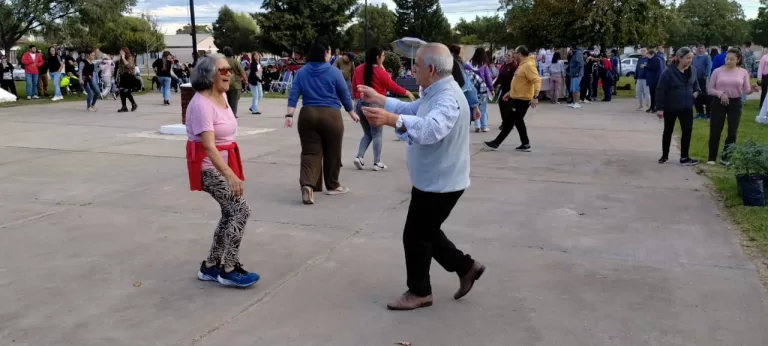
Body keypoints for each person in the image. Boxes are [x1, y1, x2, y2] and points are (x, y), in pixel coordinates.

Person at [357, 43, 484, 311]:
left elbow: (431, 129)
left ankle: (420, 291)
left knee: (415, 236)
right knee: (426, 232)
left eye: (415, 66)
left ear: (430, 68)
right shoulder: (436, 91)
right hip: (434, 179)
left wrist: (391, 119)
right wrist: (381, 100)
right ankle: (466, 267)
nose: (412, 70)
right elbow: (416, 110)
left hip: (441, 183)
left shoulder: (447, 97)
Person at [186, 53, 260, 288]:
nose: (229, 73)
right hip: (209, 168)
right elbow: (208, 146)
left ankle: (210, 266)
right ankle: (229, 268)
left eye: (229, 69)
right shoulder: (201, 104)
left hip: (224, 163)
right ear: (208, 75)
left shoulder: (222, 96)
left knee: (230, 213)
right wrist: (229, 175)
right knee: (240, 211)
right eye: (223, 70)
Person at [285, 41, 359, 205]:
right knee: (332, 151)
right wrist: (352, 112)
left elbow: (293, 94)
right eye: (330, 51)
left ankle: (309, 185)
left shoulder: (302, 72)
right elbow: (344, 94)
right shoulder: (334, 72)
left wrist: (289, 115)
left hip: (307, 114)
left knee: (310, 152)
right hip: (331, 116)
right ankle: (333, 185)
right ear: (325, 52)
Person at [351, 46, 415, 171]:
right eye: (383, 55)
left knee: (368, 133)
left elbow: (354, 86)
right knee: (377, 134)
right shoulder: (380, 73)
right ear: (377, 57)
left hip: (360, 104)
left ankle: (359, 157)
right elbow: (392, 86)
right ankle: (377, 162)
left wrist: (356, 99)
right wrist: (407, 92)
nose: (384, 57)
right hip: (375, 105)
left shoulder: (359, 69)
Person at [707, 48, 759, 165]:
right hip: (719, 102)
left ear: (738, 60)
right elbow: (710, 89)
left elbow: (746, 90)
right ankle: (711, 157)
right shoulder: (717, 71)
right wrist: (721, 93)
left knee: (732, 131)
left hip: (735, 102)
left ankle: (726, 158)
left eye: (732, 59)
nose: (729, 61)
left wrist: (752, 89)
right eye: (727, 58)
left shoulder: (743, 72)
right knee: (715, 129)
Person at [484, 45, 541, 152]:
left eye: (515, 52)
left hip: (523, 100)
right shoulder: (522, 65)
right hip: (517, 97)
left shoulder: (528, 65)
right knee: (518, 121)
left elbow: (537, 80)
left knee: (510, 121)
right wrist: (510, 93)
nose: (514, 55)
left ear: (519, 54)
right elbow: (520, 83)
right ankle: (525, 144)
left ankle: (496, 143)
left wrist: (536, 96)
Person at [656, 47, 701, 166]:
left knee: (687, 131)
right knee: (668, 130)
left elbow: (697, 86)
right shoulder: (668, 72)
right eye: (687, 58)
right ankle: (665, 155)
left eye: (691, 58)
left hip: (687, 107)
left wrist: (694, 94)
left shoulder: (693, 71)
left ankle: (684, 157)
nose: (690, 60)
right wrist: (660, 108)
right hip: (671, 106)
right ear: (680, 58)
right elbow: (660, 90)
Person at [465, 47, 495, 132]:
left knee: (475, 106)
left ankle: (477, 125)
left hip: (471, 88)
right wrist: (492, 89)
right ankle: (484, 126)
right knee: (483, 108)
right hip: (482, 88)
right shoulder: (484, 66)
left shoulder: (467, 65)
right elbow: (488, 78)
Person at [221, 47, 246, 117]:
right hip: (236, 84)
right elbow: (242, 71)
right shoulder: (235, 62)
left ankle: (226, 114)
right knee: (234, 102)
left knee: (226, 100)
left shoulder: (221, 61)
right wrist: (245, 80)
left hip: (224, 83)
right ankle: (233, 115)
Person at [692, 45, 713, 119]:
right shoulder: (694, 58)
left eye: (702, 48)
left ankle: (708, 114)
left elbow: (709, 66)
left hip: (703, 79)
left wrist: (706, 75)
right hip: (695, 79)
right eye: (699, 48)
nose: (700, 50)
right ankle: (700, 112)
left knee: (706, 96)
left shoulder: (707, 57)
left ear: (705, 49)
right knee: (697, 96)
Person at [116, 47, 138, 112]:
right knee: (121, 91)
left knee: (126, 91)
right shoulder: (120, 59)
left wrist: (123, 58)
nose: (121, 53)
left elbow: (129, 66)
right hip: (123, 76)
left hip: (129, 76)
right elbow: (120, 68)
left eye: (122, 52)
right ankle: (124, 106)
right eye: (120, 52)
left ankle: (133, 104)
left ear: (126, 52)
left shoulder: (130, 57)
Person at [645, 49, 664, 113]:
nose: (647, 56)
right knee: (652, 93)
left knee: (655, 94)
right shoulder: (652, 59)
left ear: (652, 54)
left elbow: (653, 67)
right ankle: (652, 106)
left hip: (655, 79)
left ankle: (655, 107)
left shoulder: (656, 59)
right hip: (652, 79)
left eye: (648, 54)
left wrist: (645, 66)